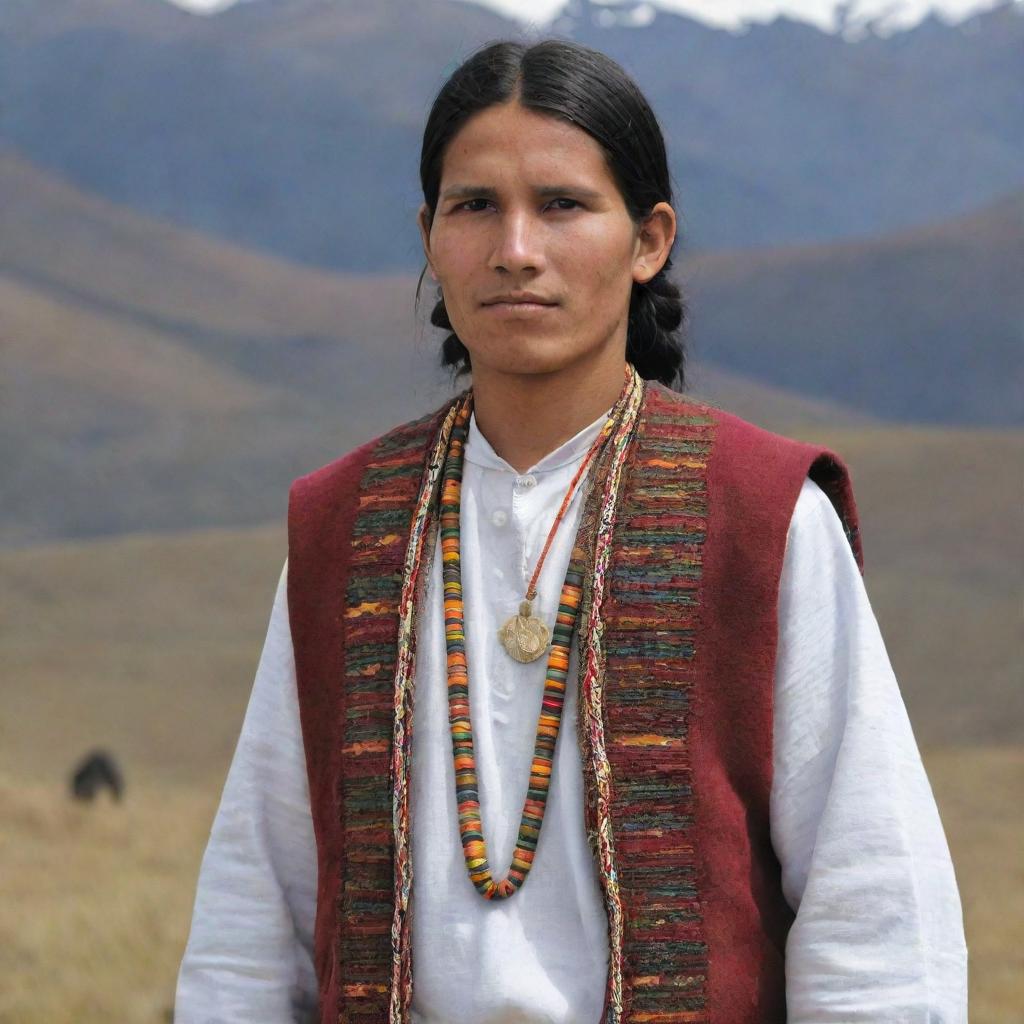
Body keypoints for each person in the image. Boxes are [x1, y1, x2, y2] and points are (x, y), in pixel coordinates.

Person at [174, 38, 968, 1024]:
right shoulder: (345, 529)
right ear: (430, 236)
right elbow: (257, 918)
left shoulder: (763, 518)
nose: (515, 249)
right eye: (474, 207)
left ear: (648, 239)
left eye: (562, 204)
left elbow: (874, 912)